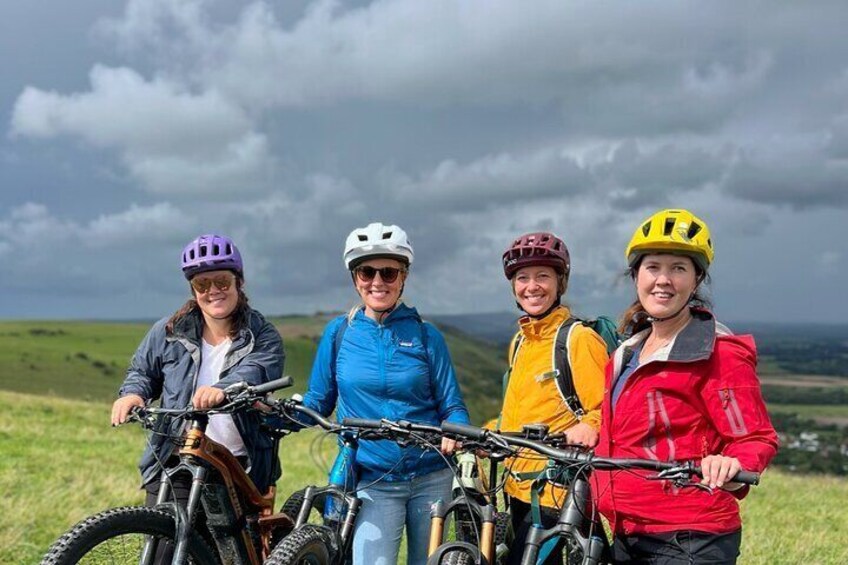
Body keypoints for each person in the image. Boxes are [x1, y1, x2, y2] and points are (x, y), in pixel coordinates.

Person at [595, 209, 779, 564]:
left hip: (689, 537)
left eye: (678, 268)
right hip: (625, 529)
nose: (663, 279)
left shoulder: (717, 352)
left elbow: (755, 437)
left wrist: (732, 463)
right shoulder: (625, 354)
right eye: (653, 267)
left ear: (695, 281)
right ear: (636, 276)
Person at [301, 222, 470, 565]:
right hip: (374, 479)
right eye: (367, 272)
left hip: (431, 476)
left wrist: (456, 430)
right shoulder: (339, 334)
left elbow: (452, 406)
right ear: (355, 278)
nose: (377, 282)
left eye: (389, 273)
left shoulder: (426, 336)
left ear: (403, 277)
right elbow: (317, 401)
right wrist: (273, 413)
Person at [111, 233, 284, 510]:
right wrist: (133, 394)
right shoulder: (168, 331)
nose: (213, 290)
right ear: (193, 290)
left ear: (238, 282)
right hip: (177, 456)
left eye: (222, 281)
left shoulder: (262, 334)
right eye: (202, 284)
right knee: (163, 548)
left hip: (239, 466)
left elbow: (258, 370)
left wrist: (223, 388)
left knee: (231, 552)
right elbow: (143, 372)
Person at [496, 232, 609, 565]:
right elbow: (518, 410)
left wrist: (590, 425)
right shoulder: (521, 341)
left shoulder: (578, 339)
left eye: (542, 276)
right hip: (517, 488)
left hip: (558, 492)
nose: (532, 286)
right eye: (522, 277)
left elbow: (605, 409)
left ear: (561, 282)